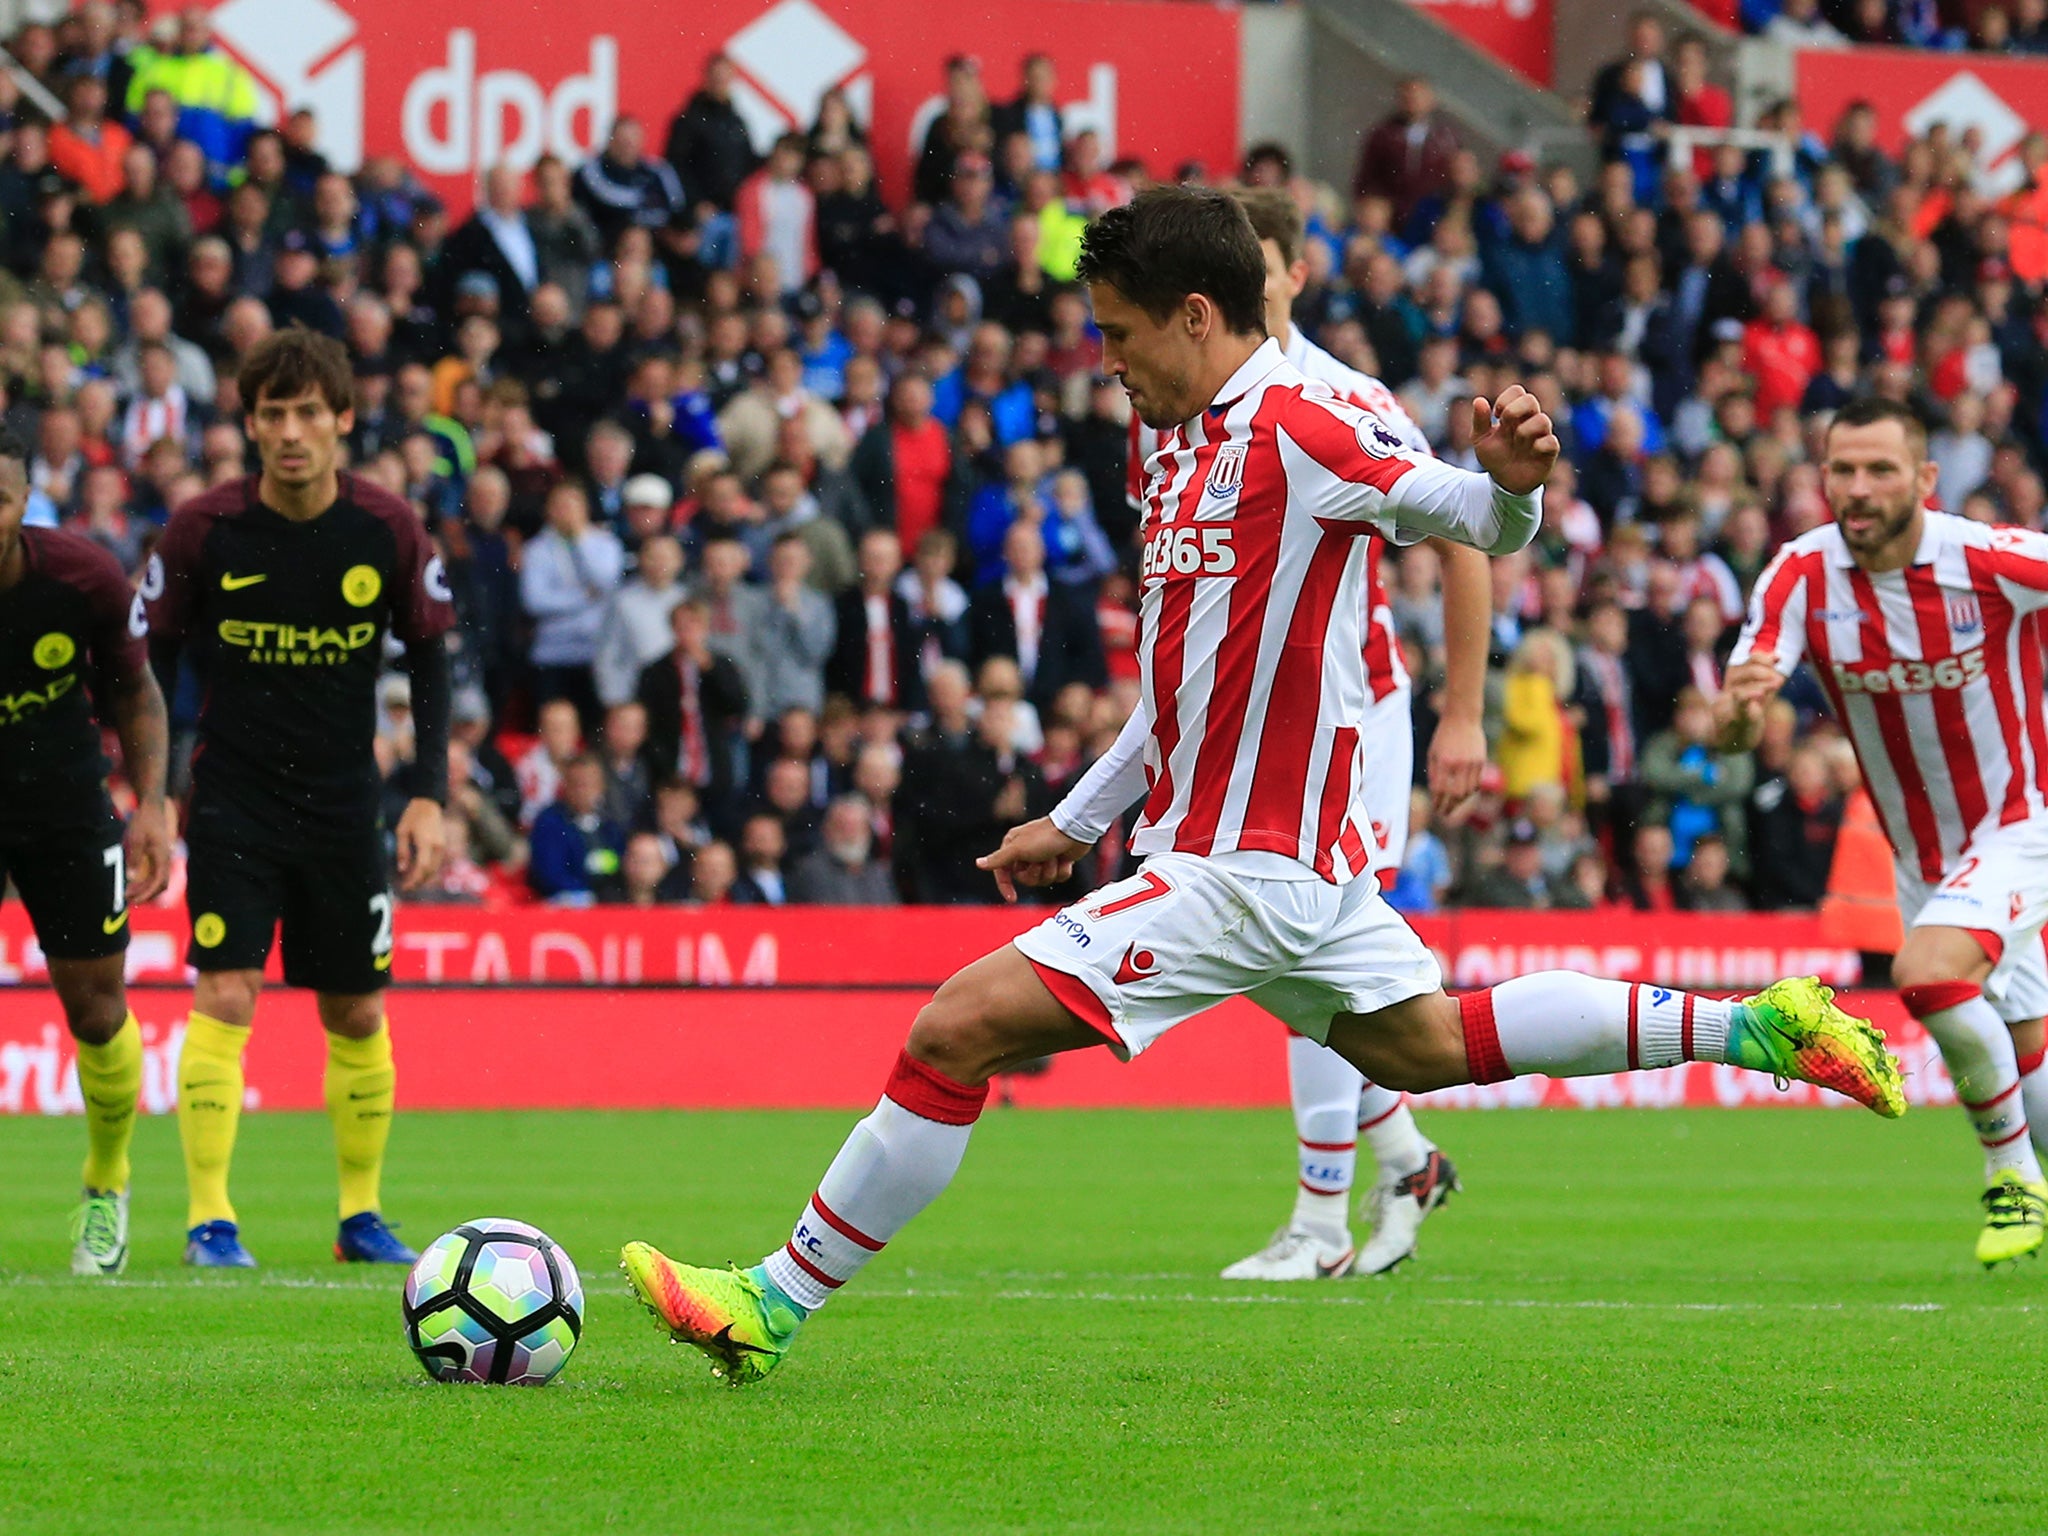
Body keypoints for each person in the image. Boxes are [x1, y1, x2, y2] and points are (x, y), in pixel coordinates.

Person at [620, 188, 1902, 1385]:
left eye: (1120, 334)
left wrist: (1514, 484)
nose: (1105, 358)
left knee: (953, 1028)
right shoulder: (1174, 442)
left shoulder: (1304, 422)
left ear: (1196, 316)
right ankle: (1753, 1027)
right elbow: (1179, 692)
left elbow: (1469, 518)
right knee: (1428, 1043)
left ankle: (770, 1303)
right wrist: (1074, 821)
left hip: (1248, 870)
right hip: (1274, 865)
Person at [1200, 187, 1492, 1283]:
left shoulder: (1340, 396)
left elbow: (1464, 534)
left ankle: (1321, 1220)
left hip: (1347, 715)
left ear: (1293, 274)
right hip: (1239, 726)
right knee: (1293, 962)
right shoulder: (1183, 402)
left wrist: (1459, 712)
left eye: (1256, 262)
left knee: (1294, 938)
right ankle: (1406, 1159)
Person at [146, 327, 454, 1269]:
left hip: (342, 806)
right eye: (271, 414)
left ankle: (360, 1217)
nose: (289, 432)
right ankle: (211, 1222)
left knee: (357, 1011)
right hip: (232, 799)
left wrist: (429, 794)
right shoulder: (205, 529)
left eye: (307, 414)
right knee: (226, 992)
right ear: (248, 423)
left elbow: (433, 654)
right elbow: (146, 659)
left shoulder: (387, 529)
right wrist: (154, 793)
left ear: (343, 421)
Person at [1720, 396, 2048, 1266]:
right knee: (2025, 1045)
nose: (1857, 490)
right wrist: (1742, 714)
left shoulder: (1990, 559)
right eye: (1842, 471)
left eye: (1880, 470)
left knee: (1926, 974)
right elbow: (1736, 719)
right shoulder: (1801, 574)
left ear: (1926, 480)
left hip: (2021, 823)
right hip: (1922, 860)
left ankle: (2009, 1177)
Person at [0, 425, 171, 1275]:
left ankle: (108, 1189)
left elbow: (135, 690)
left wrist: (152, 805)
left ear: (21, 501)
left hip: (63, 804)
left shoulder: (83, 577)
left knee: (97, 1010)